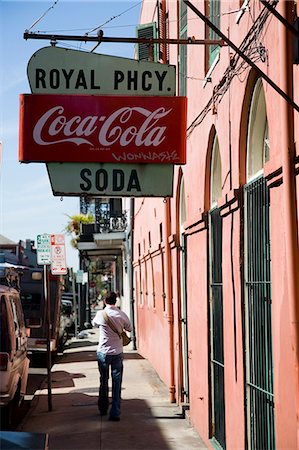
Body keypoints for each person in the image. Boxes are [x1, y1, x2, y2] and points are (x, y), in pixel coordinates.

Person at [92, 291, 132, 421]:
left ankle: (103, 408)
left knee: (103, 380)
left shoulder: (101, 314)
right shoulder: (121, 314)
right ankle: (115, 412)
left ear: (105, 301)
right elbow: (129, 328)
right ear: (116, 301)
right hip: (117, 352)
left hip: (103, 352)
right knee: (117, 383)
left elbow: (94, 324)